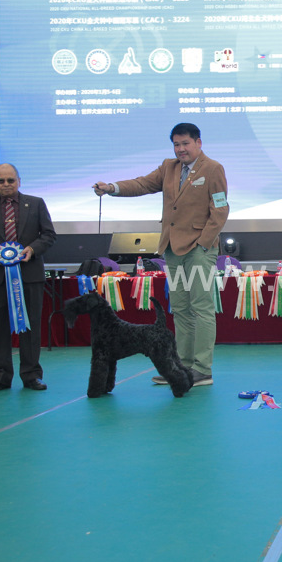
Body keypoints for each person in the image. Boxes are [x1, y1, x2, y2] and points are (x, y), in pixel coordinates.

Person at [93, 123, 228, 386]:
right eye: (176, 144)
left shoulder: (213, 168)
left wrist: (203, 244)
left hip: (199, 249)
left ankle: (203, 369)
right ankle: (182, 365)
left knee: (201, 308)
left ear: (198, 143)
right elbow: (141, 184)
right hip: (172, 248)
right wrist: (111, 187)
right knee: (180, 309)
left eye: (185, 143)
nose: (181, 149)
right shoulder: (168, 167)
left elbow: (220, 209)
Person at [0, 163, 56, 393]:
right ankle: (0, 377)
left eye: (10, 180)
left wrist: (32, 249)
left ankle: (31, 376)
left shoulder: (36, 203)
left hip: (30, 275)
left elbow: (49, 235)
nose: (6, 184)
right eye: (1, 181)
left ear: (19, 181)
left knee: (31, 326)